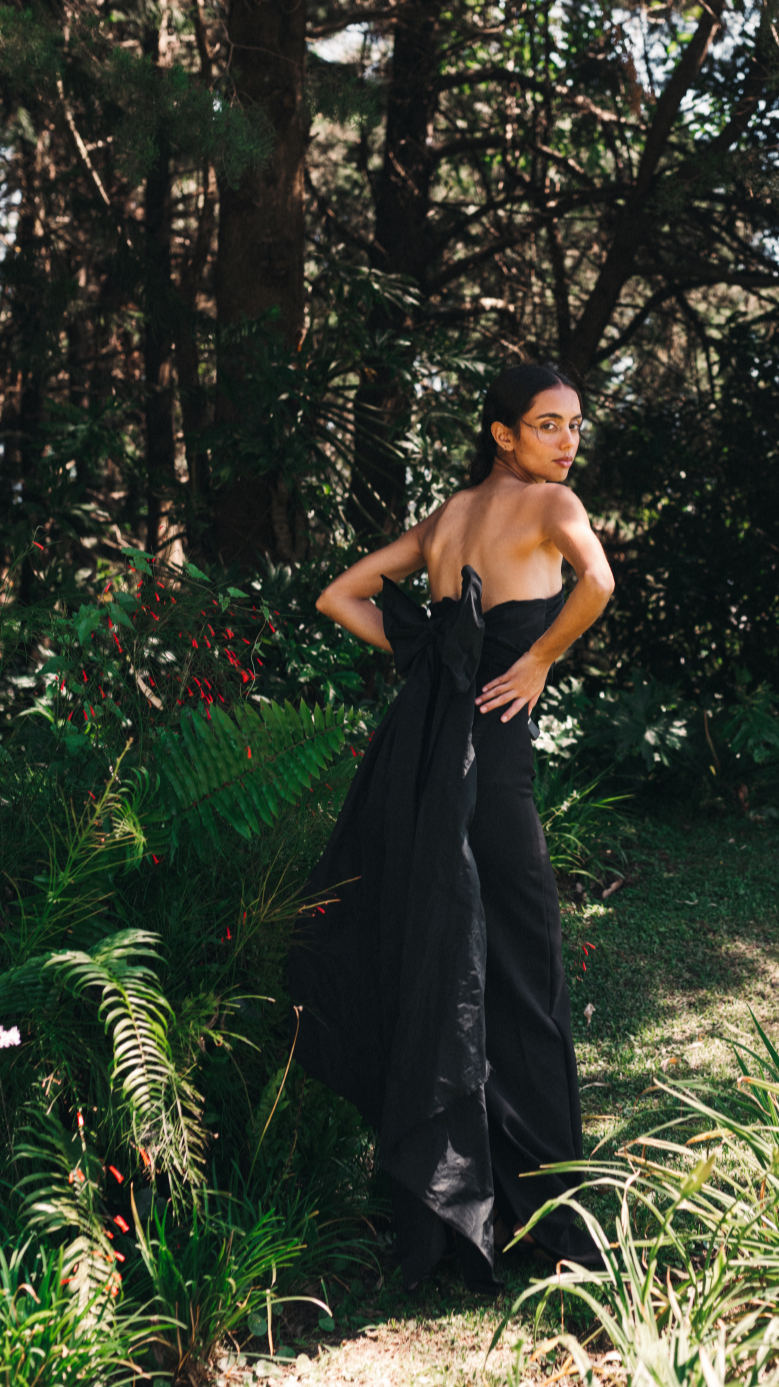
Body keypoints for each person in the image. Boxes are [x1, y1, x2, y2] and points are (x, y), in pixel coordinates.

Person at [288, 364, 615, 1292]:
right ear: (504, 434)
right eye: (547, 426)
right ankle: (548, 1216)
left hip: (428, 769)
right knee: (524, 975)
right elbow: (598, 582)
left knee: (445, 965)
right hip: (494, 773)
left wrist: (431, 655)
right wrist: (540, 659)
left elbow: (339, 596)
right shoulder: (553, 506)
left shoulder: (449, 516)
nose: (566, 441)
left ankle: (446, 1216)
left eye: (575, 425)